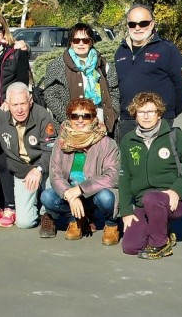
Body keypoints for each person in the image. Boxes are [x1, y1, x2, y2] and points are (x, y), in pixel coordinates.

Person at [119, 92, 182, 259]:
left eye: (150, 112)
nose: (146, 116)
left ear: (159, 114)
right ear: (135, 114)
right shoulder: (128, 141)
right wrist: (126, 211)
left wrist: (176, 191)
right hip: (142, 203)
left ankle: (160, 244)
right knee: (130, 247)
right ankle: (163, 232)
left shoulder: (175, 136)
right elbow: (124, 177)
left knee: (152, 198)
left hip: (172, 201)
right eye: (141, 112)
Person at [0, 83, 57, 234]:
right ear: (7, 104)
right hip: (22, 172)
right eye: (15, 104)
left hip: (43, 168)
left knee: (51, 182)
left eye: (23, 103)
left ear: (30, 101)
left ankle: (48, 215)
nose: (19, 109)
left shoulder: (42, 115)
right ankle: (33, 204)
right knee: (24, 223)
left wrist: (39, 169)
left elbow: (51, 150)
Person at [40, 99, 121, 244]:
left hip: (95, 192)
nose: (80, 120)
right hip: (72, 192)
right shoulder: (61, 141)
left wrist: (81, 189)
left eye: (86, 116)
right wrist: (70, 194)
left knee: (107, 199)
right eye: (75, 116)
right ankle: (76, 219)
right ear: (69, 118)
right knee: (47, 197)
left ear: (94, 118)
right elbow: (55, 174)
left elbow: (112, 176)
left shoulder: (107, 143)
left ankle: (111, 224)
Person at [114, 5, 182, 141]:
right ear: (127, 26)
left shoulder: (167, 50)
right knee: (128, 162)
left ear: (152, 24)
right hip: (127, 121)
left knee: (156, 161)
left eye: (143, 23)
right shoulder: (121, 51)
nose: (137, 28)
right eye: (132, 24)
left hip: (157, 121)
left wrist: (168, 113)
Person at [42, 23, 120, 136]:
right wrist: (69, 119)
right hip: (71, 127)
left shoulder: (103, 64)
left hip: (100, 124)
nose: (81, 43)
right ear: (70, 42)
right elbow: (50, 95)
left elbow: (114, 91)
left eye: (85, 40)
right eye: (76, 40)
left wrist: (112, 113)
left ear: (91, 42)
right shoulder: (57, 65)